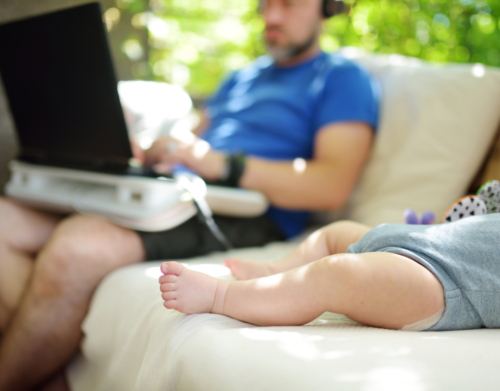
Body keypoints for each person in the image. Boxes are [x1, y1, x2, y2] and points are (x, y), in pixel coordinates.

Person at [0, 0, 379, 390]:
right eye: (266, 4)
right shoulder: (241, 78)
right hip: (178, 188)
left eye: (288, 4)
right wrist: (154, 151)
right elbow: (197, 141)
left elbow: (331, 186)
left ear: (327, 7)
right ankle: (43, 369)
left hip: (245, 208)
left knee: (77, 247)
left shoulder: (341, 78)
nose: (272, 16)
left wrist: (225, 166)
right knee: (4, 223)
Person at [159, 214, 500, 332]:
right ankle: (273, 271)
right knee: (335, 233)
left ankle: (221, 296)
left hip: (446, 284)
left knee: (335, 274)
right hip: (424, 240)